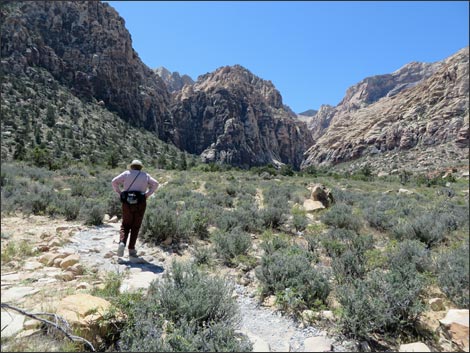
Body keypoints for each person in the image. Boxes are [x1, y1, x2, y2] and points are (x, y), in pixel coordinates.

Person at [111, 159, 159, 259]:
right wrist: (147, 195)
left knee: (125, 224)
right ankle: (131, 249)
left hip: (127, 202)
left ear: (131, 166)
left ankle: (122, 243)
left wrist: (120, 193)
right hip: (140, 202)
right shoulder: (145, 175)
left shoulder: (126, 173)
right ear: (140, 167)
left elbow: (114, 182)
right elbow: (156, 184)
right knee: (136, 226)